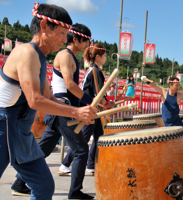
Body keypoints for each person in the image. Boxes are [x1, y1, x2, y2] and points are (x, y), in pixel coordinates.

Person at [0, 3, 97, 200]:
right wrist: (76, 113)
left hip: (21, 132)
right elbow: (35, 100)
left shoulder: (40, 57)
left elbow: (48, 98)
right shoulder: (27, 52)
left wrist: (80, 114)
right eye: (62, 33)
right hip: (3, 127)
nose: (64, 39)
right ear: (44, 26)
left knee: (43, 186)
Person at [59, 43, 107, 176]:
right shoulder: (96, 71)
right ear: (97, 57)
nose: (106, 58)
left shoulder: (92, 70)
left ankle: (91, 165)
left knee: (98, 136)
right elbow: (99, 93)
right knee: (83, 138)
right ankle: (65, 164)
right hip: (89, 108)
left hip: (91, 106)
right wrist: (104, 100)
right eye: (104, 56)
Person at [141, 76, 183, 159]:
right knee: (168, 141)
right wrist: (146, 79)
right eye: (176, 85)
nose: (178, 87)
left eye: (178, 85)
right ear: (170, 85)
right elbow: (153, 85)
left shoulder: (179, 95)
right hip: (166, 122)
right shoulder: (164, 92)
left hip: (176, 120)